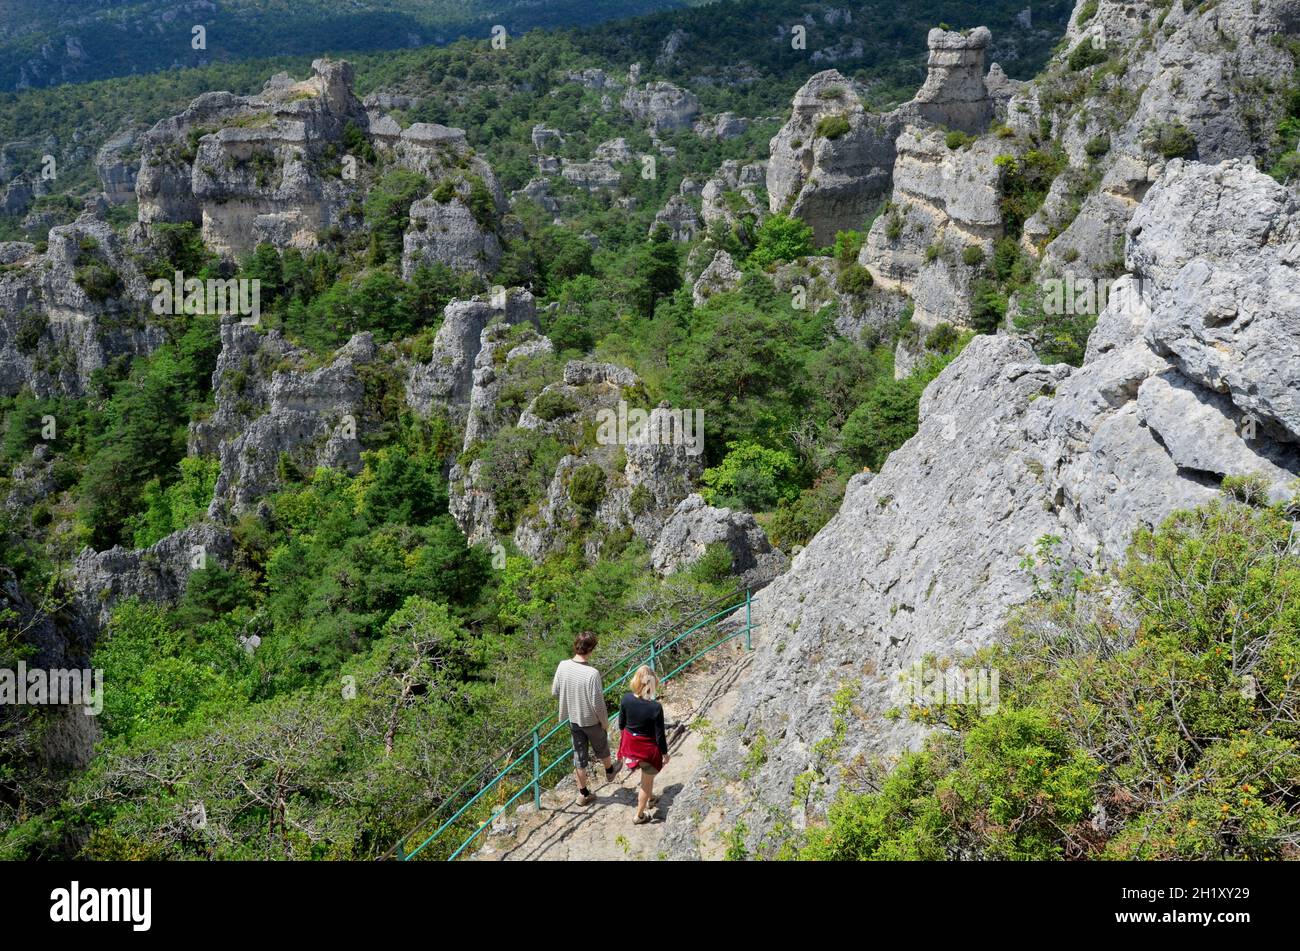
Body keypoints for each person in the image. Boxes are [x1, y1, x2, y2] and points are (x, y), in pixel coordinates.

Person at [552, 631, 619, 806]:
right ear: (591, 649)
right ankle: (610, 771)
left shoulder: (562, 666)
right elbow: (598, 704)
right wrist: (604, 723)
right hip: (590, 720)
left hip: (573, 719)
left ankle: (583, 794)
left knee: (579, 757)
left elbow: (555, 692)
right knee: (601, 746)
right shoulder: (592, 673)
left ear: (576, 646)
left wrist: (571, 698)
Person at [617, 665, 669, 824]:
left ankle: (652, 798)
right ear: (652, 684)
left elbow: (621, 724)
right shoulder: (655, 707)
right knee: (646, 783)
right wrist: (665, 754)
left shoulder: (626, 699)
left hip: (630, 747)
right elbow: (659, 735)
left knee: (646, 774)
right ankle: (639, 815)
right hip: (647, 750)